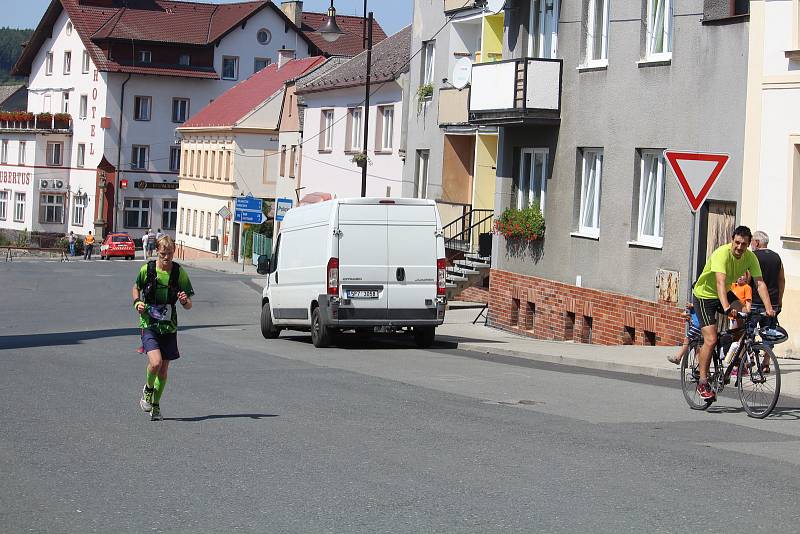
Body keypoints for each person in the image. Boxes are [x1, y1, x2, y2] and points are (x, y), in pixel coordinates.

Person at [691, 226, 775, 402]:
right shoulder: (721, 254)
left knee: (746, 314)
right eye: (737, 242)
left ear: (748, 244)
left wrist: (769, 309)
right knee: (711, 339)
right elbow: (720, 282)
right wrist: (728, 308)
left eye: (743, 244)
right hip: (705, 296)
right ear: (732, 240)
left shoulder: (750, 257)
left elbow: (760, 284)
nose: (739, 247)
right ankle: (703, 382)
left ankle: (731, 356)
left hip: (725, 293)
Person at [132, 235, 194, 421]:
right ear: (156, 252)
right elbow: (135, 287)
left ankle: (156, 404)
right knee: (156, 362)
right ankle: (148, 390)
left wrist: (184, 301)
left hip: (169, 326)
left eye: (170, 254)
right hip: (149, 323)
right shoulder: (148, 269)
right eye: (163, 254)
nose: (166, 258)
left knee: (164, 369)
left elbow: (189, 304)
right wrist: (137, 302)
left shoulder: (178, 273)